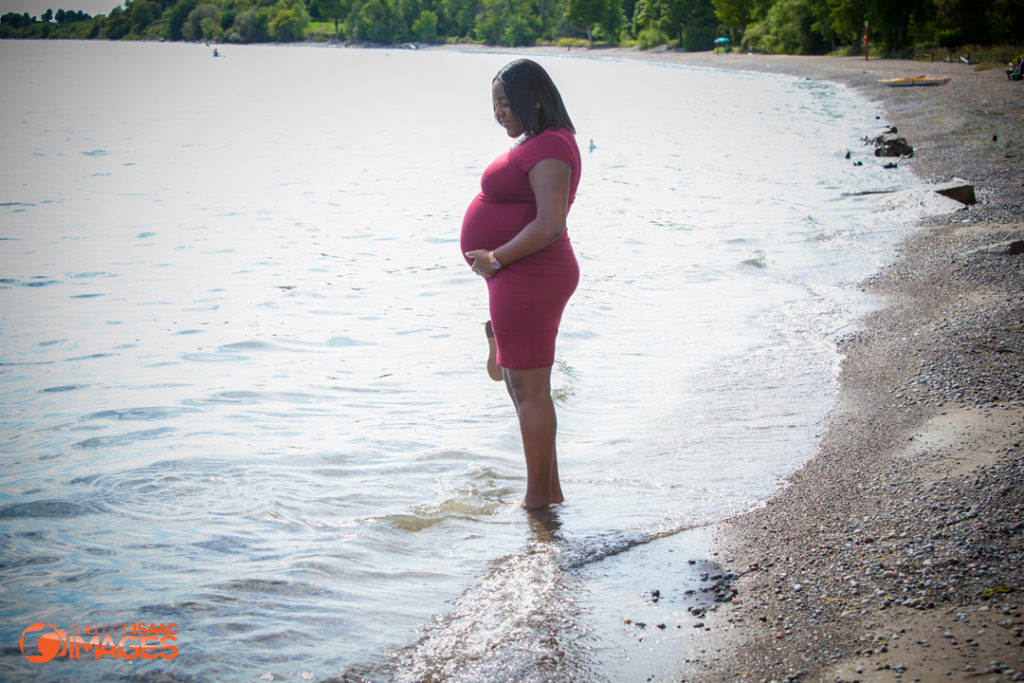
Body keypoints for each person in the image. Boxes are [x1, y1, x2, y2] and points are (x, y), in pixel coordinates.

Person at [461, 59, 582, 510]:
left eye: (506, 102)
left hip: (532, 274)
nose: (499, 111)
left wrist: (494, 257)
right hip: (520, 275)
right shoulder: (541, 142)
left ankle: (537, 502)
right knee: (523, 388)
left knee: (529, 391)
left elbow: (550, 224)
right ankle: (549, 493)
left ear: (534, 98)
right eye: (494, 103)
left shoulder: (550, 146)